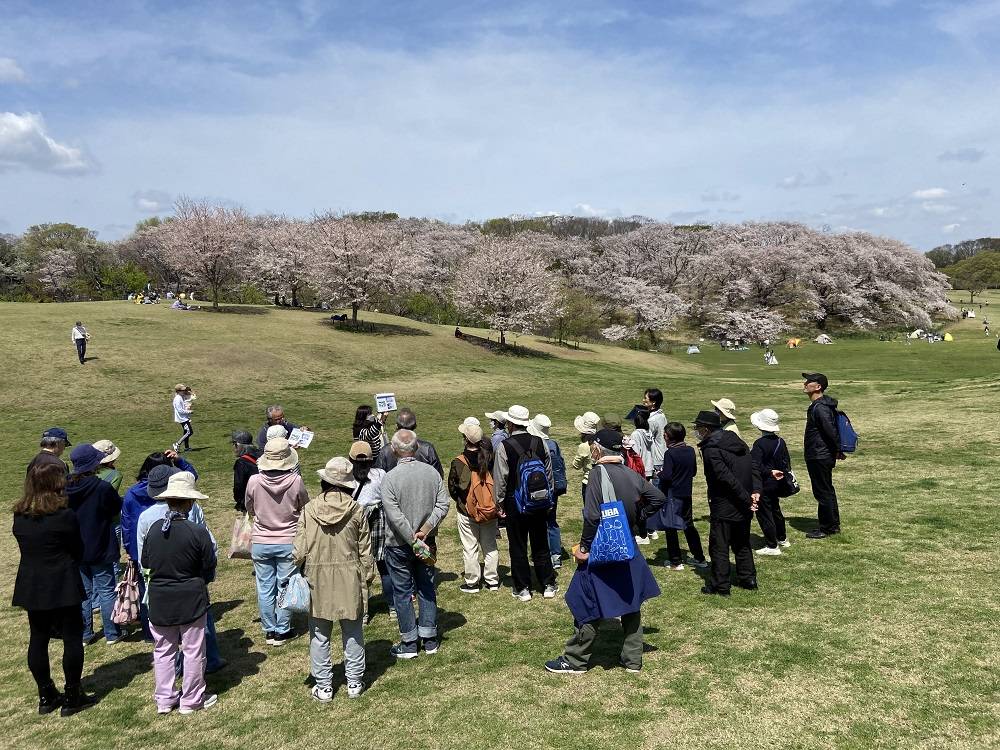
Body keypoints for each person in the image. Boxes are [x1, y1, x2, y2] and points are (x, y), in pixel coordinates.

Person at [545, 429, 664, 674]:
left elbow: (591, 516)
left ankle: (576, 659)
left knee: (586, 600)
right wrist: (638, 518)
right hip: (627, 546)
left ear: (598, 449)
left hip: (602, 549)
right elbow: (658, 498)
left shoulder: (597, 474)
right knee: (631, 602)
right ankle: (632, 659)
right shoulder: (631, 474)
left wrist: (585, 548)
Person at [12, 463, 94, 716]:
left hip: (32, 582)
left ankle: (46, 694)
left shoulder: (20, 515)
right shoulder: (64, 515)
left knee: (38, 638)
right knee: (71, 638)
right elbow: (77, 549)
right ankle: (72, 695)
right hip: (62, 581)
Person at [296, 456, 373, 701]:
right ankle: (354, 682)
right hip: (350, 576)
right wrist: (367, 577)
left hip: (316, 577)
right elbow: (365, 550)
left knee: (319, 635)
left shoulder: (309, 510)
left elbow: (298, 550)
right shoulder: (356, 509)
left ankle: (324, 685)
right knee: (353, 631)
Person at [141, 472, 218, 715]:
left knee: (163, 650)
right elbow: (208, 564)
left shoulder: (153, 530)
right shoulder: (196, 531)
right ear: (190, 502)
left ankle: (165, 699)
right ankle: (192, 699)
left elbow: (146, 561)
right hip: (190, 597)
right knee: (193, 650)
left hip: (160, 597)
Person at [379, 430, 450, 658]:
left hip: (399, 543)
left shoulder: (389, 478)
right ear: (416, 447)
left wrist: (412, 537)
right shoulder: (431, 473)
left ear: (394, 448)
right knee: (426, 587)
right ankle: (429, 638)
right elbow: (443, 504)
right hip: (426, 541)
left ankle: (409, 642)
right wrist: (425, 530)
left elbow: (394, 515)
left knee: (402, 592)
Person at [245, 437, 310, 646]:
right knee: (285, 585)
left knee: (264, 587)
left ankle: (270, 629)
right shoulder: (295, 481)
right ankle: (282, 629)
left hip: (261, 541)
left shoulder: (254, 481)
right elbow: (305, 506)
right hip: (288, 540)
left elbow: (250, 507)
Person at [494, 405, 557, 602]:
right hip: (539, 500)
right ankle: (547, 583)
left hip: (516, 502)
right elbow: (548, 473)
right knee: (540, 543)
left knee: (518, 545)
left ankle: (523, 588)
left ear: (511, 424)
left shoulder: (505, 446)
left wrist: (499, 503)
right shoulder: (540, 442)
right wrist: (549, 498)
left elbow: (501, 479)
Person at [693, 411, 760, 596]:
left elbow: (725, 478)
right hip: (744, 501)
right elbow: (752, 466)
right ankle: (748, 578)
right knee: (742, 542)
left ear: (706, 429)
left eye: (698, 428)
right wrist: (754, 492)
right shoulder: (736, 440)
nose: (696, 431)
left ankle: (720, 585)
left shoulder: (711, 449)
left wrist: (747, 498)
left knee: (720, 545)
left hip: (725, 503)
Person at [65, 444, 122, 645]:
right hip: (100, 544)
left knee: (84, 592)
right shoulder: (101, 487)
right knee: (106, 590)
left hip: (76, 547)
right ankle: (112, 633)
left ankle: (85, 634)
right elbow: (115, 507)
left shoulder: (65, 488)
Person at [448, 422, 500, 593]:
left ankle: (472, 582)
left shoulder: (458, 462)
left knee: (470, 547)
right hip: (490, 510)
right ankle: (492, 580)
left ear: (465, 439)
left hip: (466, 511)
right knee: (490, 545)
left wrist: (462, 502)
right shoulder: (490, 458)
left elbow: (453, 488)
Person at [653, 423, 707, 571]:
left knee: (671, 526)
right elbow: (694, 471)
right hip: (686, 493)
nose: (663, 437)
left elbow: (668, 475)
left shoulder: (670, 453)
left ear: (670, 437)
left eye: (665, 434)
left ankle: (676, 561)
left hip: (672, 495)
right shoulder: (690, 450)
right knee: (688, 525)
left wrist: (659, 473)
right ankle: (699, 557)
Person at [347, 441, 388, 621]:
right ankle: (393, 606)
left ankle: (363, 611)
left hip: (355, 525)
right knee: (385, 567)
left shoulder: (347, 478)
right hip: (379, 523)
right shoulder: (380, 475)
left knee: (359, 570)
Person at [802, 372, 844, 539]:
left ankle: (827, 527)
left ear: (818, 387)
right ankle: (832, 525)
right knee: (827, 490)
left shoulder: (820, 408)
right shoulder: (821, 406)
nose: (805, 384)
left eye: (809, 382)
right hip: (821, 453)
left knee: (822, 492)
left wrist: (837, 449)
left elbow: (830, 431)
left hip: (819, 455)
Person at [750, 409, 792, 555]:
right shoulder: (780, 441)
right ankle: (782, 538)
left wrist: (768, 472)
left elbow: (754, 465)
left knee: (764, 514)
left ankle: (772, 545)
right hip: (777, 482)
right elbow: (785, 461)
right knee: (776, 510)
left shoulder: (759, 444)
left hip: (764, 483)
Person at [528, 414, 568, 569]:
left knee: (539, 523)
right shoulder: (554, 444)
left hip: (539, 488)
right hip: (554, 487)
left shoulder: (535, 445)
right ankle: (556, 555)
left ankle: (542, 553)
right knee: (552, 521)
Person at [375, 408, 443, 476]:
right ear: (415, 425)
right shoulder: (427, 448)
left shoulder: (385, 450)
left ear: (396, 426)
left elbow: (379, 477)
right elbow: (438, 475)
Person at [230, 431, 261, 513]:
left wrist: (240, 502)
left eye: (234, 444)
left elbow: (238, 486)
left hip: (252, 502)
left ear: (237, 444)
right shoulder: (262, 454)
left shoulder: (241, 462)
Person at [572, 411, 600, 501]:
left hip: (588, 482)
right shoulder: (601, 442)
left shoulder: (584, 446)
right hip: (601, 481)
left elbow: (576, 466)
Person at [642, 389, 667, 482]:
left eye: (646, 398)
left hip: (656, 460)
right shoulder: (660, 414)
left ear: (653, 402)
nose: (643, 400)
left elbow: (644, 436)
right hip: (661, 457)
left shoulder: (653, 420)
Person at [171, 384, 195, 453]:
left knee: (186, 432)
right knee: (189, 432)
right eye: (183, 390)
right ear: (178, 391)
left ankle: (186, 447)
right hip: (182, 418)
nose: (184, 391)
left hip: (184, 417)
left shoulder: (181, 396)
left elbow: (191, 395)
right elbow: (180, 410)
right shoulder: (178, 399)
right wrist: (189, 412)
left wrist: (190, 391)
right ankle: (177, 444)